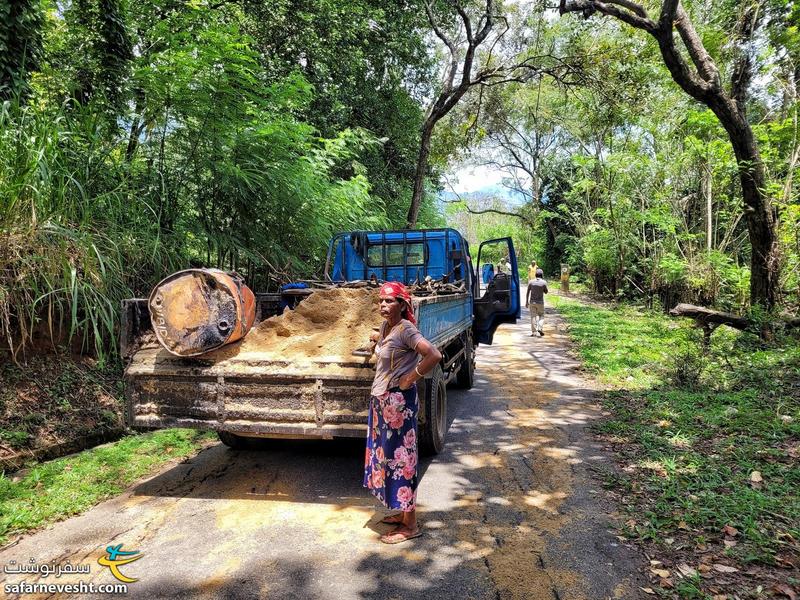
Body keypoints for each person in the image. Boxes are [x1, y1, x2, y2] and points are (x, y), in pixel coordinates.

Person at [364, 281, 442, 544]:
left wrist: (411, 378)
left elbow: (434, 355)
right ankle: (402, 512)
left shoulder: (407, 329)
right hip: (382, 402)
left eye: (389, 301)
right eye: (381, 301)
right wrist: (377, 339)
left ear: (402, 304)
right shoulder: (388, 326)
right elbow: (389, 345)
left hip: (399, 404)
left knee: (402, 462)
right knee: (387, 459)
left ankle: (410, 525)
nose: (383, 305)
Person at [525, 268, 548, 336]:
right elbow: (546, 292)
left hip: (532, 302)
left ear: (535, 275)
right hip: (540, 303)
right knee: (541, 316)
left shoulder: (531, 282)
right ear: (542, 275)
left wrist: (526, 302)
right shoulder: (544, 282)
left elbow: (527, 292)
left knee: (533, 316)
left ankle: (534, 332)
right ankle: (540, 328)